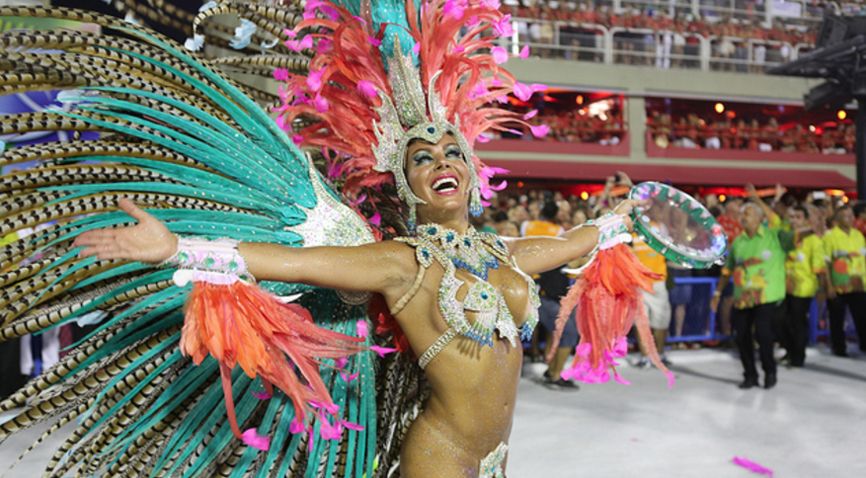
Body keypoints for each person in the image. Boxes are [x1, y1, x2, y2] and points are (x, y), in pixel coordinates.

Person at [0, 2, 651, 477]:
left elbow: (577, 241)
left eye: (452, 148)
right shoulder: (402, 263)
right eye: (422, 157)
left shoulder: (500, 252)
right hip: (441, 457)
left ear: (475, 170)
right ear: (406, 181)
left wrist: (625, 216)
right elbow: (291, 261)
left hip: (499, 454)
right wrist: (178, 251)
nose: (441, 160)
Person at [711, 198, 794, 390]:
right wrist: (717, 293)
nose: (742, 218)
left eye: (746, 214)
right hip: (743, 298)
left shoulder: (775, 236)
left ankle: (769, 370)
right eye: (741, 215)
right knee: (742, 336)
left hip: (767, 296)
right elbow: (727, 270)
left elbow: (796, 237)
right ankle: (750, 374)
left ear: (759, 217)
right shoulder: (738, 242)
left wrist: (811, 230)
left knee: (764, 334)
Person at [524, 201, 580, 390]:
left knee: (567, 334)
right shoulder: (557, 240)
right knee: (569, 334)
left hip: (551, 295)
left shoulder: (531, 228)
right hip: (544, 296)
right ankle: (554, 376)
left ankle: (551, 372)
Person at [778, 206, 825, 367]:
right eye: (792, 217)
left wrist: (822, 288)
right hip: (783, 287)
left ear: (806, 221)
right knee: (778, 320)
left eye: (798, 217)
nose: (794, 220)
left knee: (798, 323)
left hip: (803, 289)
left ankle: (798, 358)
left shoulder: (814, 240)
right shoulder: (784, 237)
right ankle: (790, 349)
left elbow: (819, 269)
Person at [822, 206, 866, 357]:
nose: (850, 219)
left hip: (858, 284)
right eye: (846, 216)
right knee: (837, 319)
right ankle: (839, 349)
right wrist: (828, 285)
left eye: (851, 216)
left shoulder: (858, 235)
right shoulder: (830, 237)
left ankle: (864, 346)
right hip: (838, 285)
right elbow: (825, 263)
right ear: (838, 219)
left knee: (862, 317)